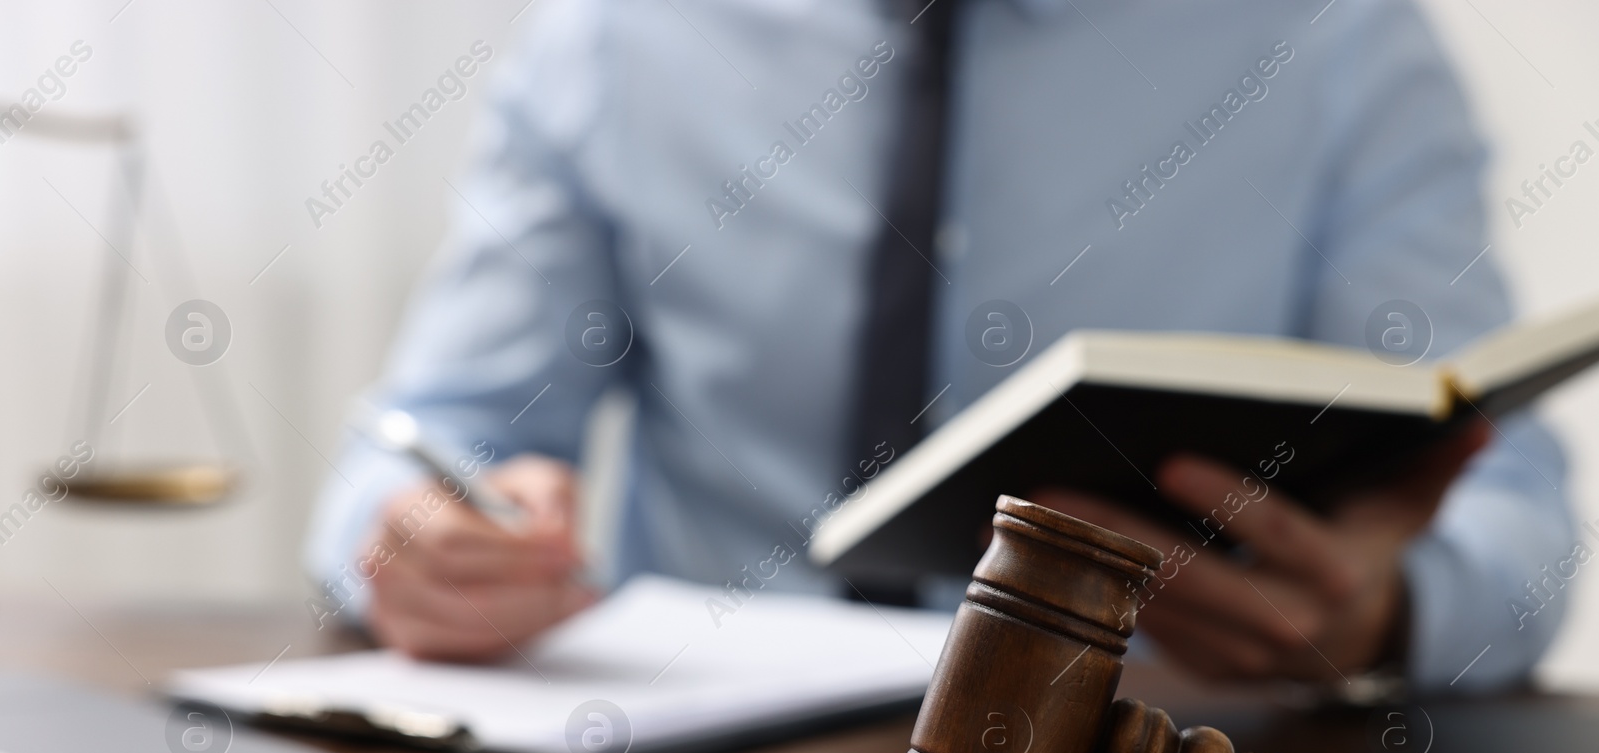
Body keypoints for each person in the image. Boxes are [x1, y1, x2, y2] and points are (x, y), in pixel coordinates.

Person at [304, 0, 1572, 693]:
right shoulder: (616, 38)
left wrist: (1386, 609)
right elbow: (441, 430)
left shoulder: (1339, 42)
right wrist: (412, 540)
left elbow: (1511, 511)